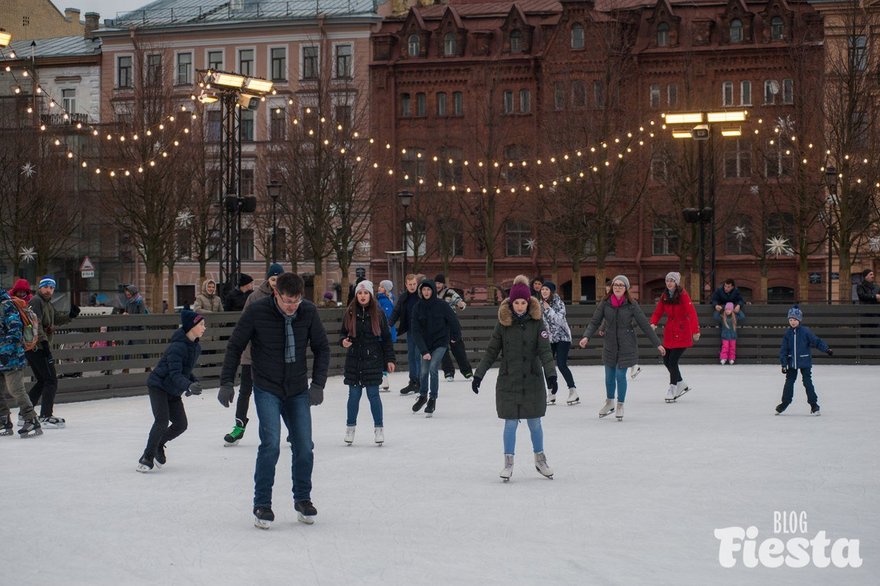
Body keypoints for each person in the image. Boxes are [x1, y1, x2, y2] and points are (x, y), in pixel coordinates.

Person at [218, 272, 329, 529]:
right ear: (276, 294)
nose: (292, 307)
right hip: (267, 387)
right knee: (270, 444)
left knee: (304, 445)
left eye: (296, 301)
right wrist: (226, 382)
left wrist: (318, 384)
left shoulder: (308, 312)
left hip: (298, 388)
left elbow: (322, 348)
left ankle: (303, 499)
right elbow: (235, 345)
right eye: (287, 301)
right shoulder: (257, 311)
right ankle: (262, 504)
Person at [471, 275, 557, 481]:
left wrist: (551, 376)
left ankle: (540, 459)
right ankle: (508, 463)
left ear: (528, 303)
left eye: (523, 303)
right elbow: (491, 351)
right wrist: (478, 375)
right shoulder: (503, 324)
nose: (520, 306)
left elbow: (545, 352)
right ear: (511, 303)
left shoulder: (537, 324)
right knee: (510, 423)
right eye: (516, 303)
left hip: (532, 380)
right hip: (509, 380)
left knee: (534, 422)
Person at [579, 275, 665, 420]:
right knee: (609, 377)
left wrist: (658, 343)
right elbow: (595, 321)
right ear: (612, 287)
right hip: (610, 344)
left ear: (626, 289)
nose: (618, 287)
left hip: (627, 344)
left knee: (620, 375)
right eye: (615, 285)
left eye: (621, 285)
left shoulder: (631, 304)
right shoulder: (605, 303)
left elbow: (644, 324)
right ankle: (610, 402)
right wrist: (586, 336)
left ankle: (620, 404)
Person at [136, 310, 205, 472]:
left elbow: (184, 370)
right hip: (158, 386)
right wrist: (187, 386)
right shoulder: (177, 347)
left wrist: (192, 382)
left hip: (173, 389)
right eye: (201, 324)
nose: (204, 327)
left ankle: (159, 444)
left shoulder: (195, 347)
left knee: (181, 424)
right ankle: (147, 457)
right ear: (191, 327)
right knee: (162, 421)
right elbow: (174, 374)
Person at [222, 263, 283, 446]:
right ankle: (239, 427)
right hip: (251, 353)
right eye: (273, 279)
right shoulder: (255, 297)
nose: (275, 283)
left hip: (276, 355)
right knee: (245, 391)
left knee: (281, 392)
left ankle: (290, 429)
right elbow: (244, 323)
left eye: (278, 279)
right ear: (267, 279)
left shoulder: (287, 296)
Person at [340, 280, 396, 445]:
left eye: (365, 293)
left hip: (372, 360)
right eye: (359, 293)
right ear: (356, 295)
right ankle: (350, 428)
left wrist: (390, 359)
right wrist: (343, 341)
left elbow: (386, 339)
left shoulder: (378, 314)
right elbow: (342, 333)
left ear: (370, 295)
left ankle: (379, 428)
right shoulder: (350, 312)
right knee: (354, 396)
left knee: (373, 396)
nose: (362, 296)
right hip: (354, 361)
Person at [409, 277, 461, 417]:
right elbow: (415, 330)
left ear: (433, 290)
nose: (426, 292)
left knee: (433, 368)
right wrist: (423, 350)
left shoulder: (442, 305)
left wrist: (455, 337)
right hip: (425, 344)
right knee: (424, 371)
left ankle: (432, 398)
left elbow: (453, 321)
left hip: (440, 342)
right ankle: (423, 396)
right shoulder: (417, 307)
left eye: (429, 289)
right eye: (424, 289)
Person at [26, 276, 71, 427]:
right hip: (37, 347)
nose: (49, 290)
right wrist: (44, 344)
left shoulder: (47, 303)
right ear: (40, 287)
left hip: (37, 347)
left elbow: (55, 319)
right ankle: (45, 415)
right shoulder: (36, 301)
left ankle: (24, 413)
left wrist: (70, 316)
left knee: (42, 380)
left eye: (52, 288)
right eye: (46, 287)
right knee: (51, 380)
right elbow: (35, 324)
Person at [650, 272, 700, 403]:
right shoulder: (665, 295)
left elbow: (692, 312)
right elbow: (658, 311)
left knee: (672, 361)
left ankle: (673, 387)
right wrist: (653, 322)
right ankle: (681, 382)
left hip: (682, 331)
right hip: (670, 332)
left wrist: (696, 331)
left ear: (676, 282)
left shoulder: (683, 295)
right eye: (667, 280)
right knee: (666, 360)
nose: (669, 283)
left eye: (672, 280)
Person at [0, 288, 42, 437]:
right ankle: (3, 421)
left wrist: (6, 352)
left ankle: (32, 420)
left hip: (11, 357)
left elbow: (15, 331)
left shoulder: (6, 306)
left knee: (16, 390)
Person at [776, 305, 832, 416]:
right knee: (789, 382)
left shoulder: (805, 331)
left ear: (799, 320)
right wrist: (783, 364)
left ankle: (814, 405)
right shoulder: (788, 334)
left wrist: (826, 349)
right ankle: (785, 403)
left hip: (805, 362)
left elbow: (816, 341)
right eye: (790, 320)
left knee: (807, 382)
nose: (792, 322)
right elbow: (784, 350)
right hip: (791, 363)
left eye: (795, 320)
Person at [539, 281, 578, 406]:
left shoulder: (559, 303)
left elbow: (560, 320)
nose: (544, 291)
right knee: (547, 365)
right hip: (549, 339)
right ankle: (551, 392)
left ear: (551, 291)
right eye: (542, 289)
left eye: (547, 289)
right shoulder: (539, 305)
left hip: (563, 338)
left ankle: (573, 391)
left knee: (561, 365)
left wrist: (548, 309)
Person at [435, 274, 473, 382]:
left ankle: (467, 371)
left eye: (439, 283)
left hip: (452, 324)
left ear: (443, 284)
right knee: (443, 350)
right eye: (436, 283)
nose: (437, 285)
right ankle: (448, 372)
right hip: (439, 326)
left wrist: (461, 304)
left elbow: (459, 301)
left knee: (458, 348)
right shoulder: (432, 294)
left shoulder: (449, 293)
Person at [389, 273, 422, 396]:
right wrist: (389, 324)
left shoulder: (421, 295)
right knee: (411, 356)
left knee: (418, 356)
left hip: (421, 331)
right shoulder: (404, 297)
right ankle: (413, 381)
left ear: (416, 283)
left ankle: (419, 382)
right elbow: (396, 311)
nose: (412, 286)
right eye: (410, 284)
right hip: (410, 330)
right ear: (406, 285)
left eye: (414, 284)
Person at [376, 279, 397, 391]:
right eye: (379, 286)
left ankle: (384, 380)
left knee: (383, 357)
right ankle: (382, 379)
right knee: (381, 356)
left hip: (384, 335)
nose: (379, 288)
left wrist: (383, 331)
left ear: (386, 290)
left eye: (381, 287)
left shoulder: (385, 301)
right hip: (381, 334)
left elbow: (388, 319)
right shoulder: (381, 299)